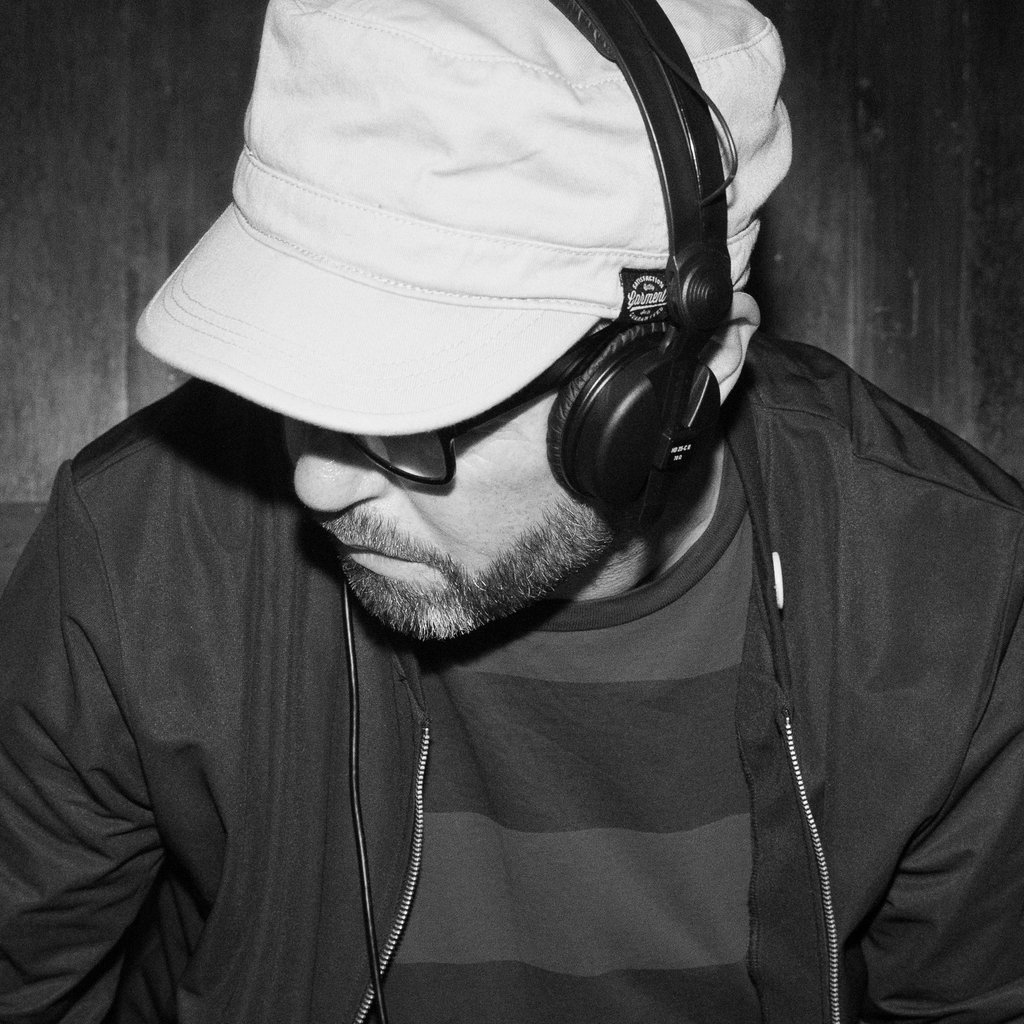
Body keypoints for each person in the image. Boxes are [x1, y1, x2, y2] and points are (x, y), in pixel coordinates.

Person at [2, 0, 1023, 1021]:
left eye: (416, 417)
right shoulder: (140, 546)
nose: (316, 484)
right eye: (292, 377)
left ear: (678, 380)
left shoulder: (958, 597)